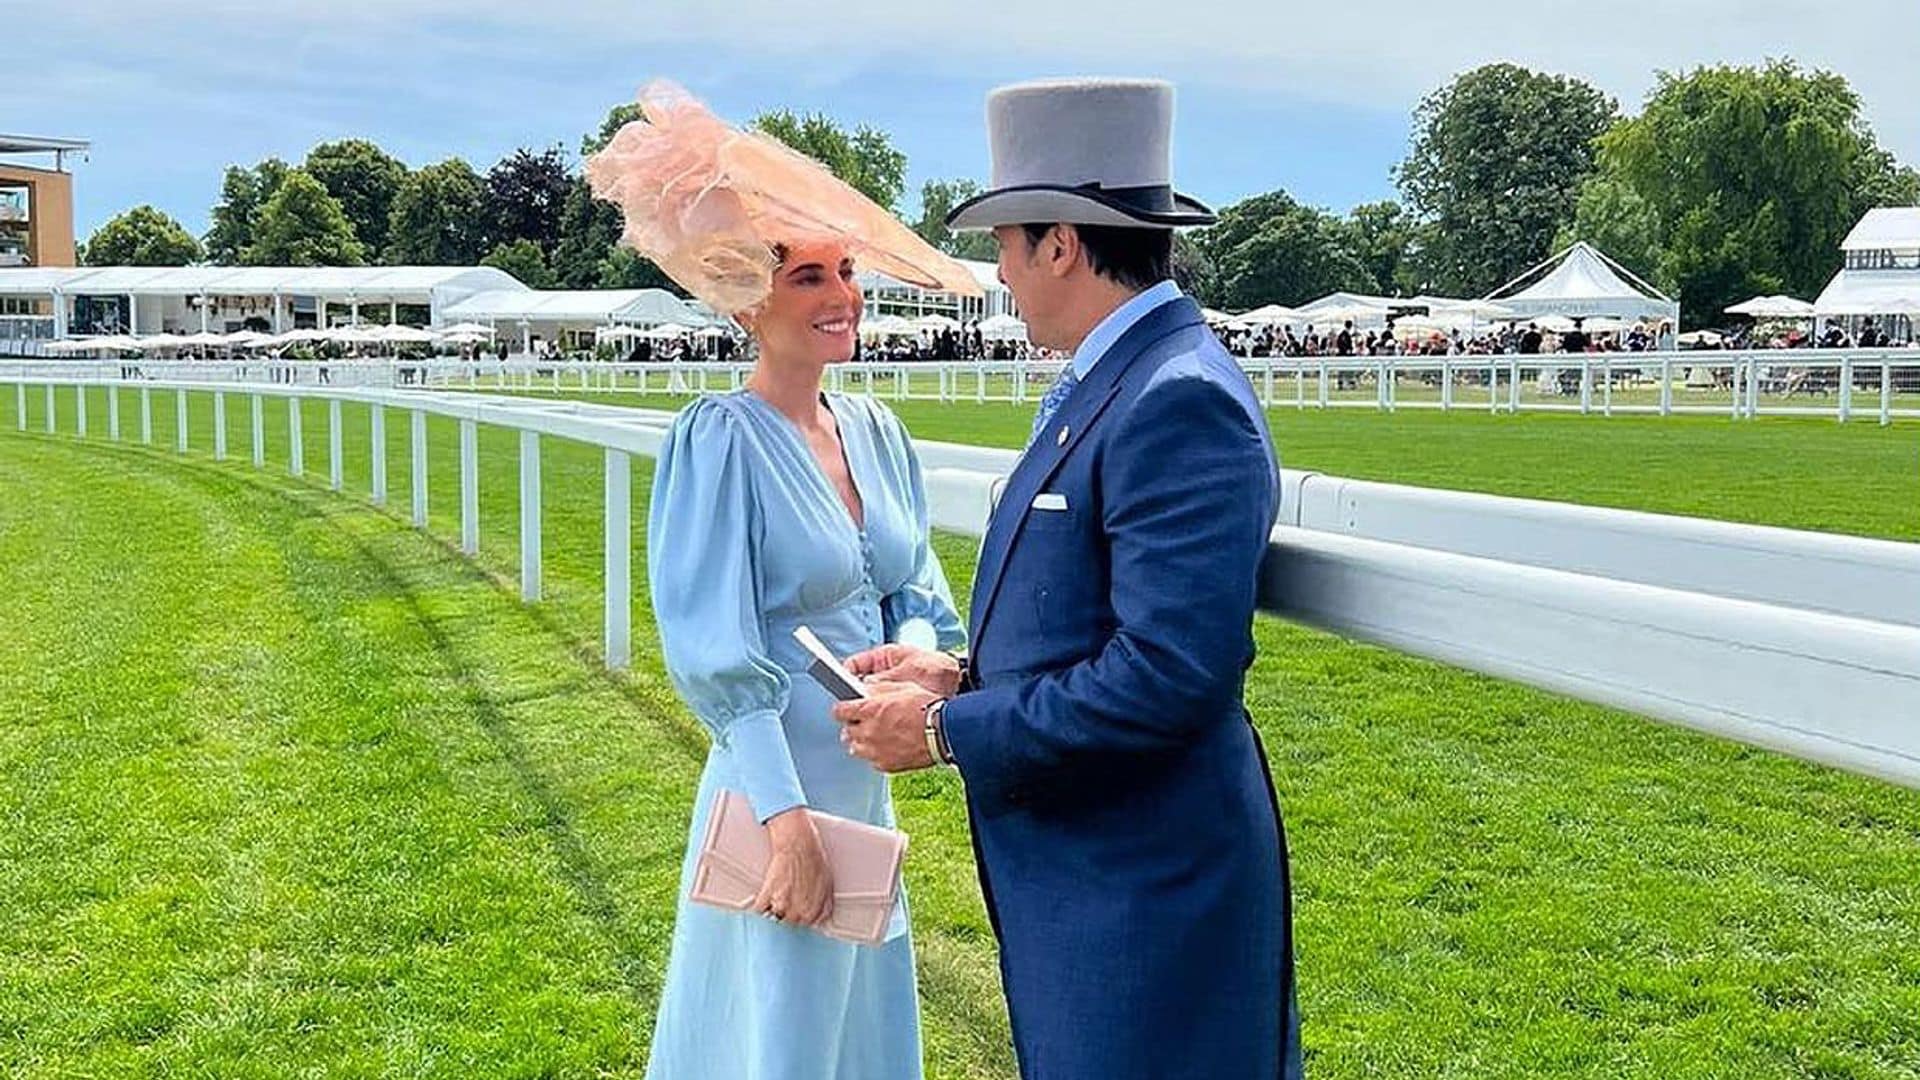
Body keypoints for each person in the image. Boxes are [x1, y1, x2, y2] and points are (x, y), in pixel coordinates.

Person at [832, 78, 1301, 1079]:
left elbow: (1169, 677)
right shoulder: (1124, 377)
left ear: (1063, 243)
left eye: (1007, 241)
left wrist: (944, 733)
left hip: (1145, 892)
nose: (1001, 271)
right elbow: (1088, 622)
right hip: (1100, 881)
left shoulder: (1176, 397)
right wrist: (962, 678)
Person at [584, 80, 980, 1080]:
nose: (841, 297)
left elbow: (922, 595)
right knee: (776, 1033)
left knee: (858, 1033)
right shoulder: (717, 441)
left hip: (868, 777)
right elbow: (714, 650)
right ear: (748, 299)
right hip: (779, 787)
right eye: (807, 277)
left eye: (845, 272)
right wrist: (785, 822)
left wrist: (915, 666)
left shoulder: (879, 431)